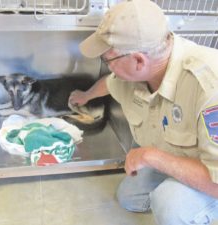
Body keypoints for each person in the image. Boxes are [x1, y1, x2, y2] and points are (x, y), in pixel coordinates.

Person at [68, 0, 218, 224]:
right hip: (178, 157)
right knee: (128, 198)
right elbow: (110, 83)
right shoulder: (140, 72)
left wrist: (151, 156)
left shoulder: (209, 87)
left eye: (107, 60)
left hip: (212, 175)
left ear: (138, 60)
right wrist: (85, 96)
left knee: (170, 204)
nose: (107, 66)